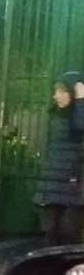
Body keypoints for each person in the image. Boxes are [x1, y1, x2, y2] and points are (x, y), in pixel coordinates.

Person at [34, 71, 84, 246]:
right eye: (55, 91)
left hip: (73, 184)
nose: (56, 96)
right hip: (53, 181)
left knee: (69, 233)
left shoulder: (78, 114)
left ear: (73, 92)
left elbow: (80, 126)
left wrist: (80, 100)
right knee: (51, 233)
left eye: (62, 91)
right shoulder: (55, 116)